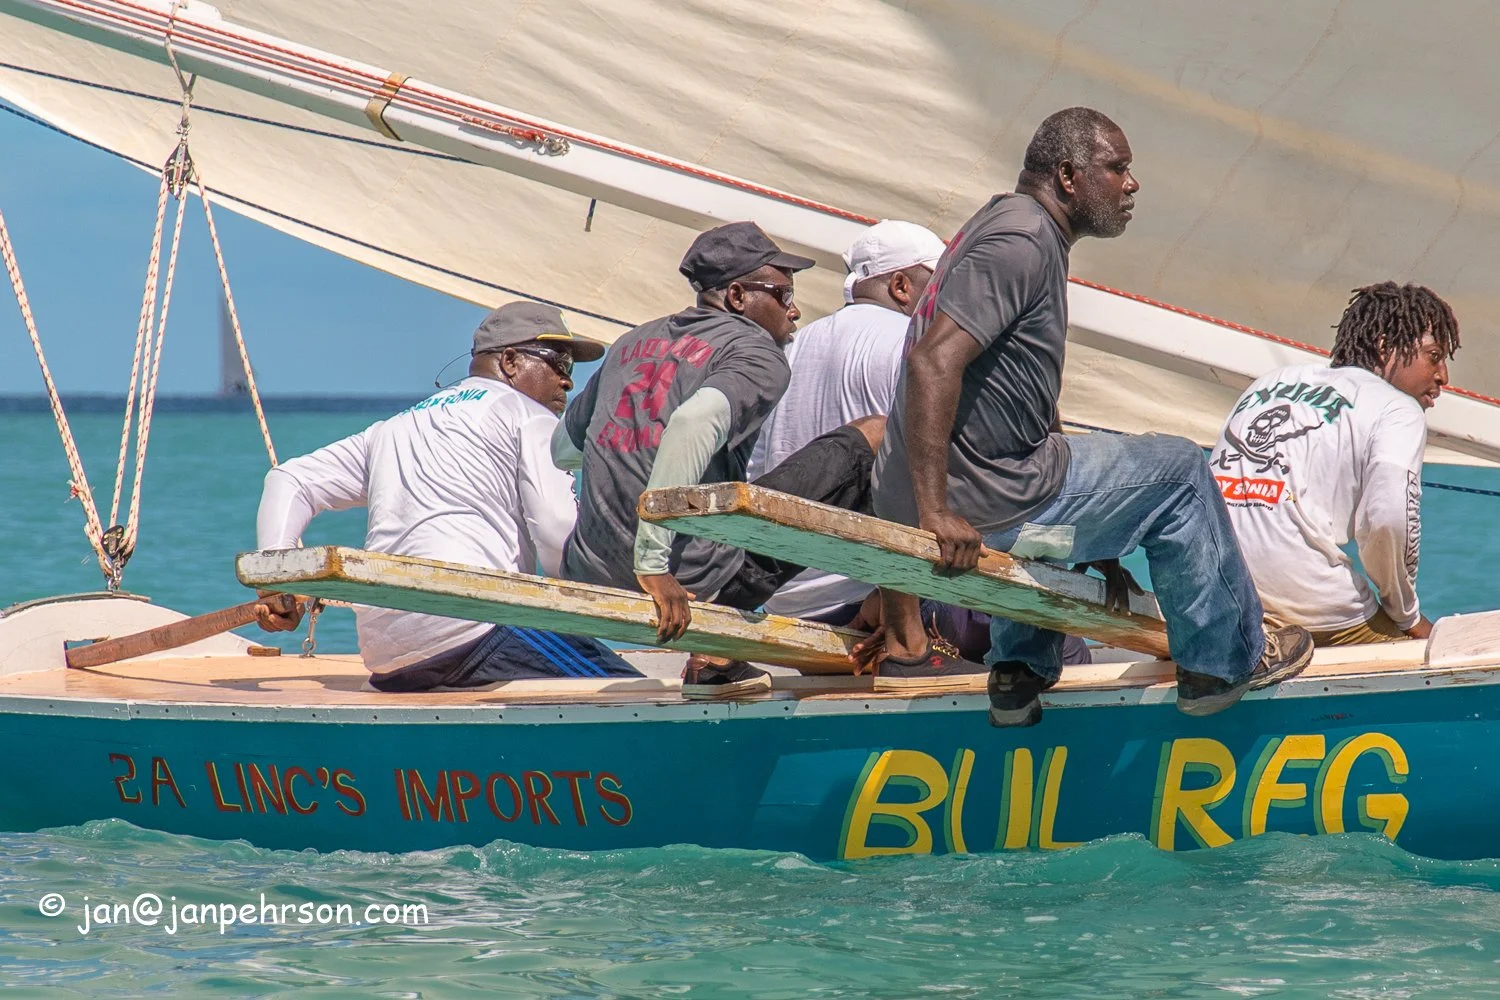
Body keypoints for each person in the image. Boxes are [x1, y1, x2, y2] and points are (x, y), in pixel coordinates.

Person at [867, 106, 1314, 727]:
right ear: (1069, 176)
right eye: (1117, 168)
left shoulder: (1006, 225)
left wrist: (1104, 532)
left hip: (969, 490)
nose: (1132, 184)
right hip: (974, 503)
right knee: (1182, 472)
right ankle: (1223, 662)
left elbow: (1022, 402)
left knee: (1063, 465)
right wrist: (936, 511)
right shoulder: (1023, 241)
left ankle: (1018, 671)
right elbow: (931, 361)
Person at [553, 221, 900, 696]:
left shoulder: (632, 343)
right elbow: (692, 424)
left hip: (593, 571)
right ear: (737, 296)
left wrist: (631, 469)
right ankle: (904, 635)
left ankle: (719, 657)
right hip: (684, 581)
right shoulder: (755, 351)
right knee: (875, 434)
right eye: (782, 294)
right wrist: (652, 561)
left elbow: (565, 448)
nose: (794, 310)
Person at [252, 301, 643, 690]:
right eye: (559, 362)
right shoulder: (529, 415)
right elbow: (558, 538)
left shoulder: (394, 427)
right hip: (474, 630)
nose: (567, 381)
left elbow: (290, 479)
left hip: (387, 656)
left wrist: (277, 580)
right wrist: (639, 590)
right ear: (510, 361)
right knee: (635, 693)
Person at [1213, 281, 1460, 646]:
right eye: (1434, 356)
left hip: (1215, 587)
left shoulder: (1270, 382)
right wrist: (1406, 615)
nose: (1443, 376)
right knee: (1419, 649)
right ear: (1385, 347)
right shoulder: (1398, 409)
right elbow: (1388, 520)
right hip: (1305, 597)